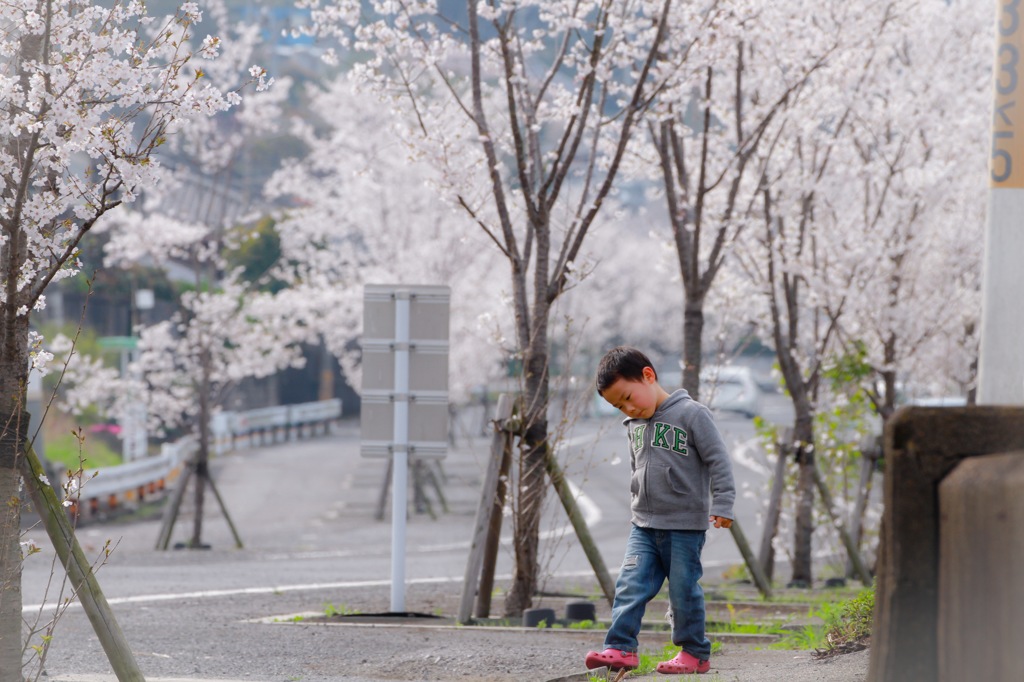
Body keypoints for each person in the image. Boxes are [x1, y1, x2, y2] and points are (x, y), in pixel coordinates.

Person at [584, 346, 735, 675]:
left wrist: (723, 502)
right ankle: (621, 647)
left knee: (683, 591)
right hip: (643, 525)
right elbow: (637, 468)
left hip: (684, 527)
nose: (627, 408)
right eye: (617, 406)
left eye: (627, 397)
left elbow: (718, 461)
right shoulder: (634, 424)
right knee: (630, 584)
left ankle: (695, 652)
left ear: (648, 375)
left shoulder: (693, 415)